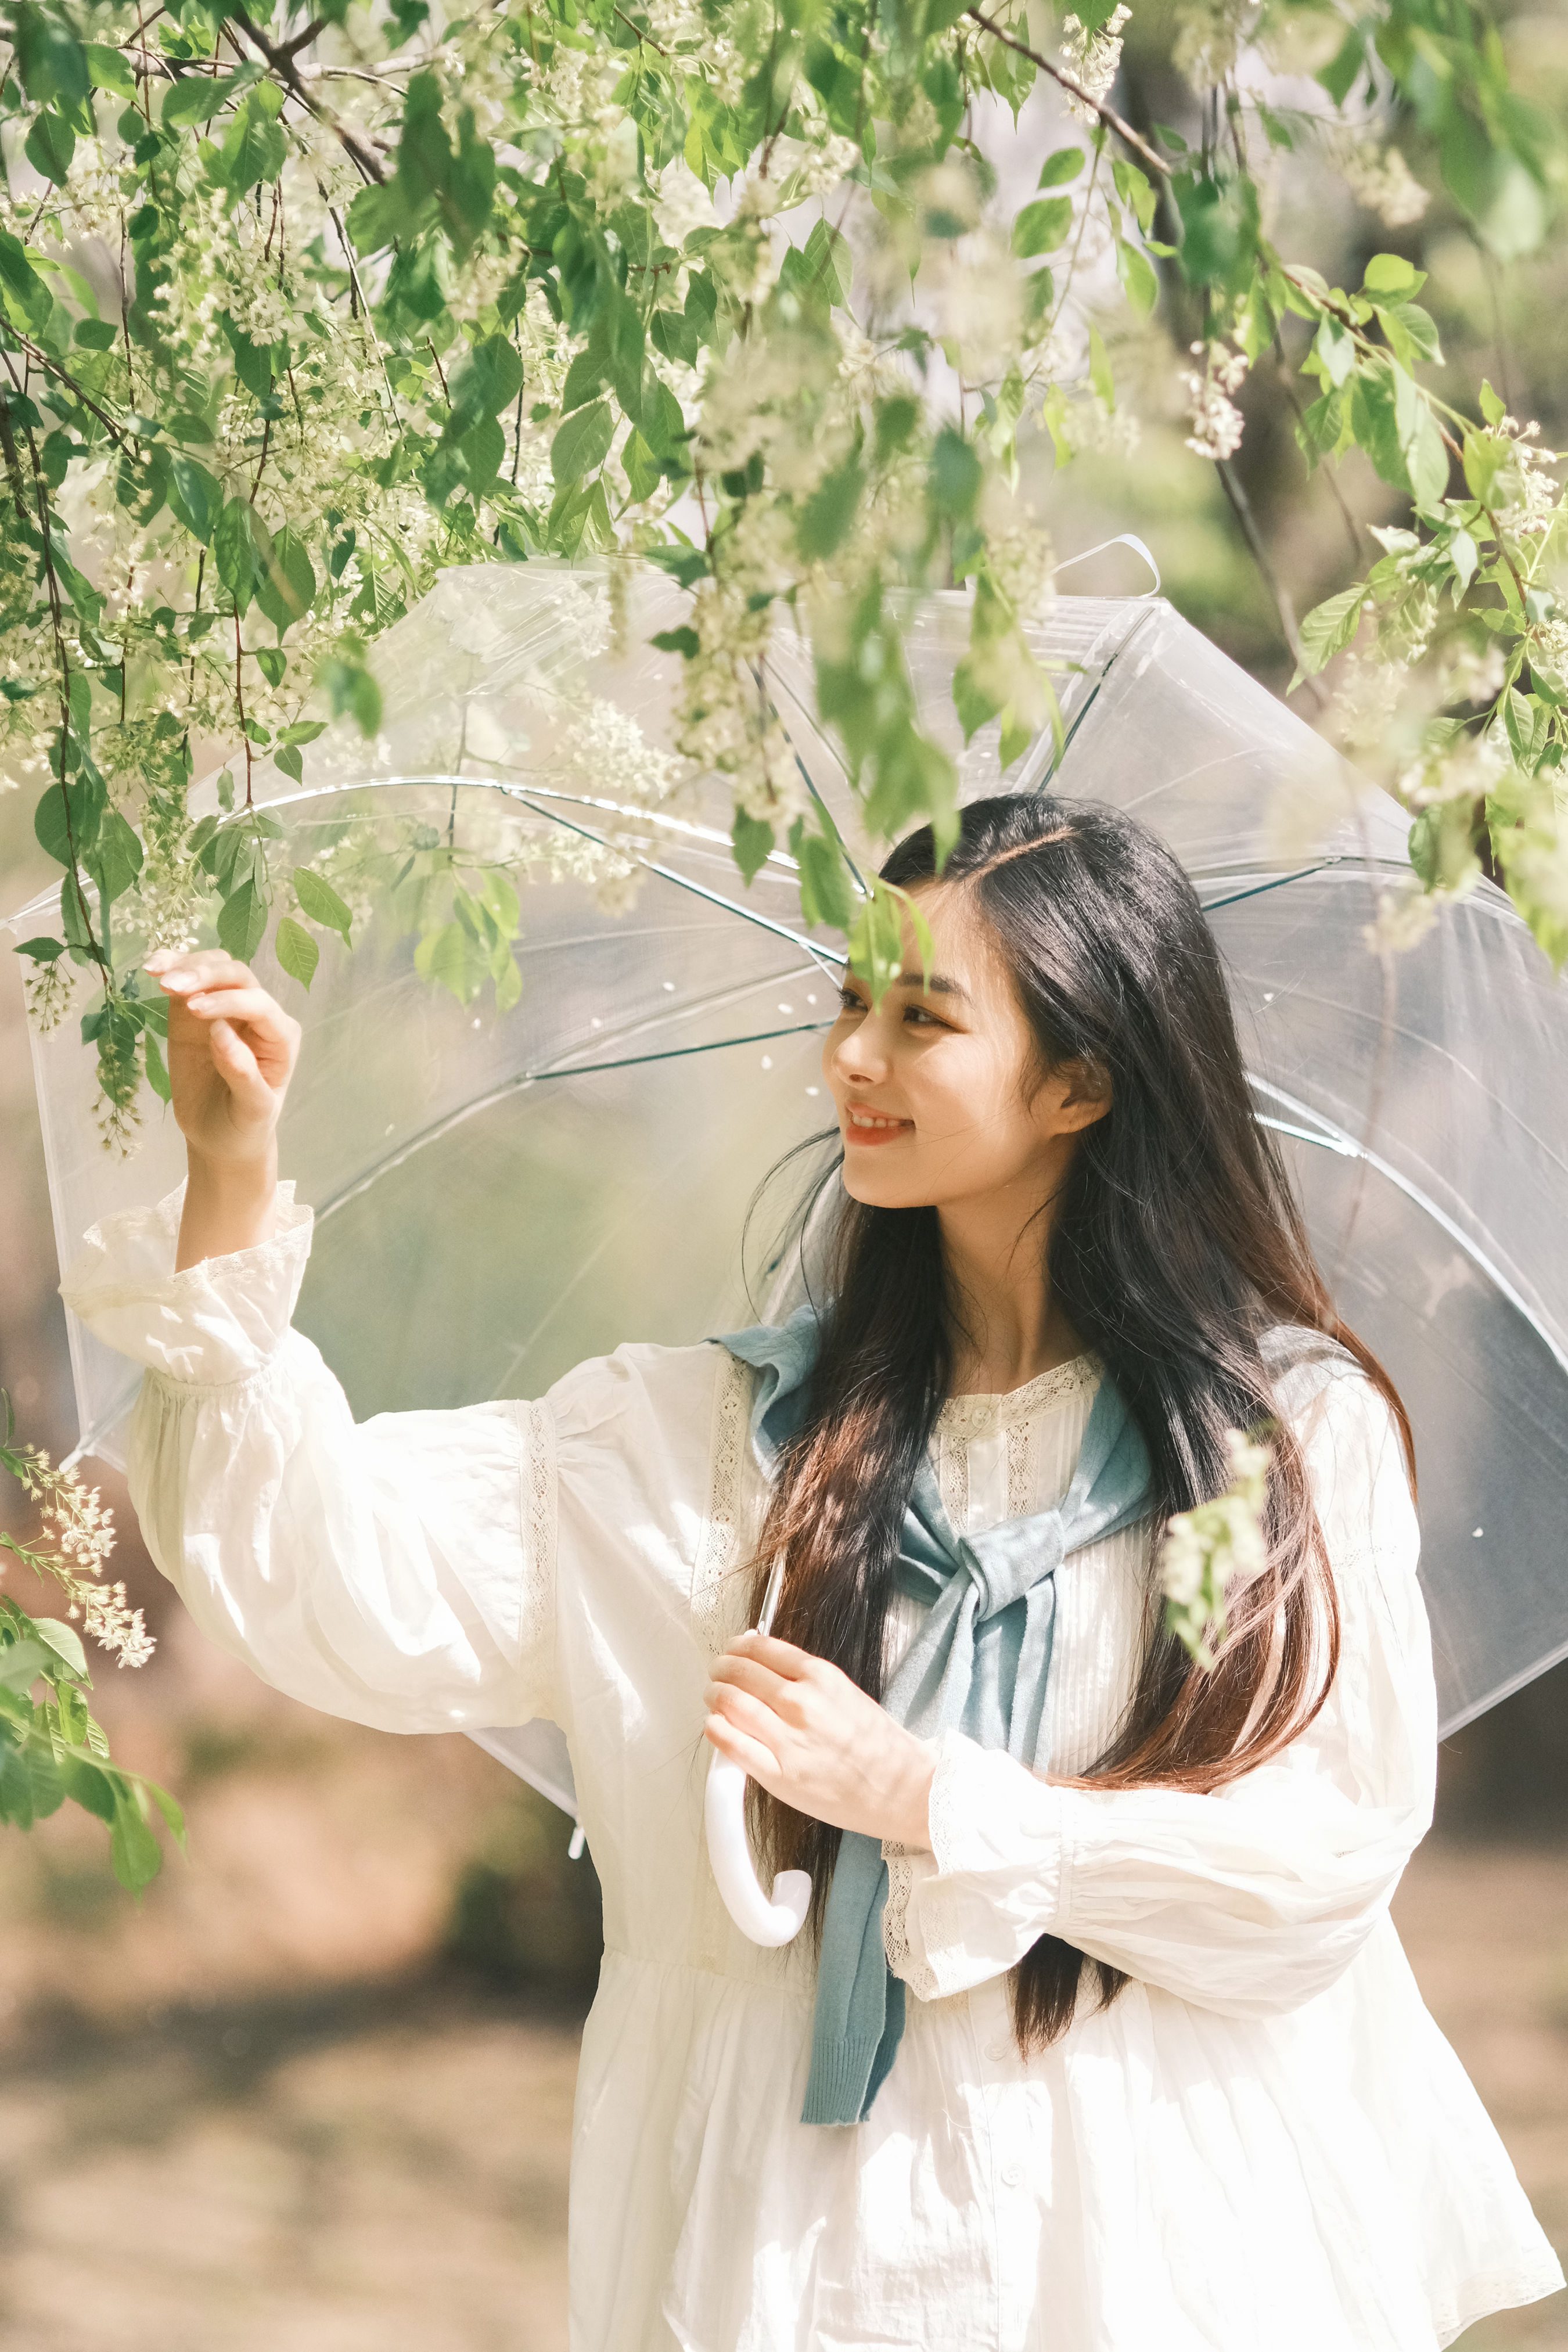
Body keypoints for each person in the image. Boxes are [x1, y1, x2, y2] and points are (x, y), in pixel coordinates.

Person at [63, 792, 1562, 2351]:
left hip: (1148, 2246)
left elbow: (1319, 1861)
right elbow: (326, 1567)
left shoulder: (1279, 1440)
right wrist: (230, 1174)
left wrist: (934, 1803)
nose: (852, 1055)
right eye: (851, 998)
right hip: (796, 2246)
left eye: (921, 1016)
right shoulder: (703, 1447)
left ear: (1079, 1080)